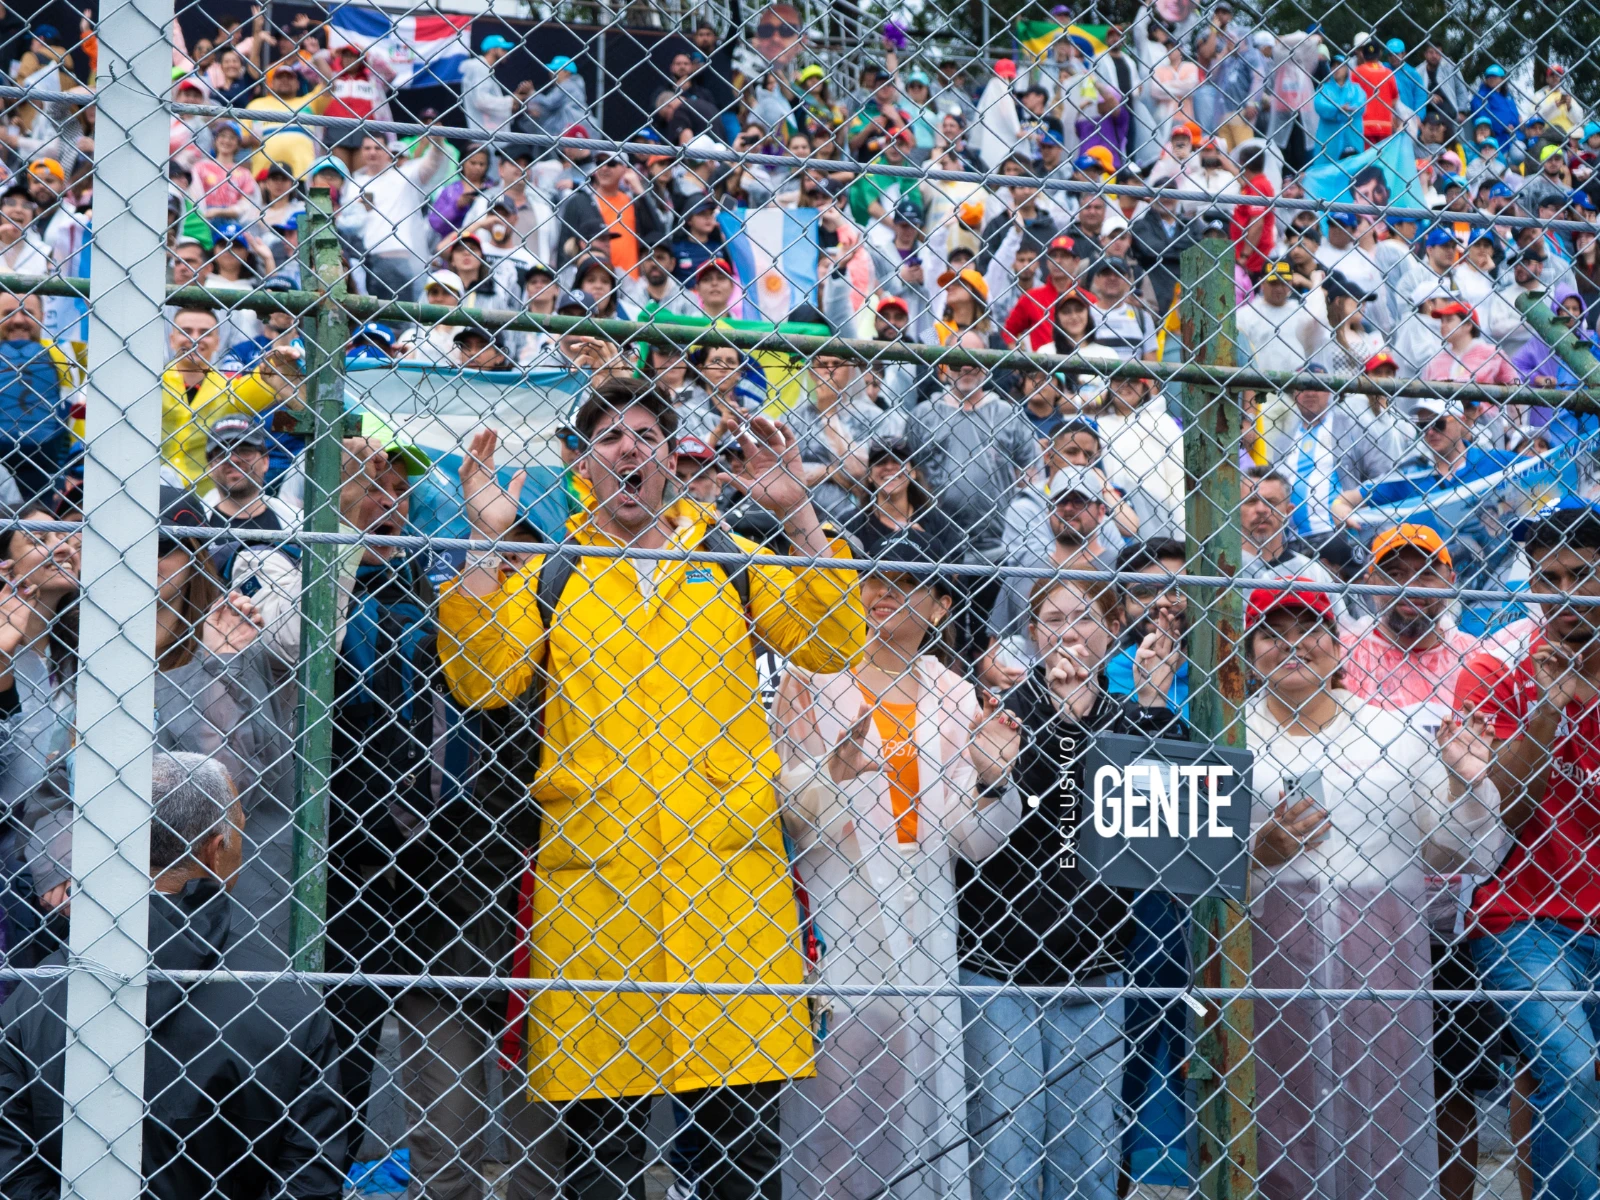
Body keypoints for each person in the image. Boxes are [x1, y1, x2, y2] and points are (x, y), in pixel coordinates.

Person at [439, 380, 866, 1199]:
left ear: (671, 457)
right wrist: (486, 542)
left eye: (645, 434)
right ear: (583, 465)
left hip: (729, 904)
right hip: (602, 910)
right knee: (601, 1169)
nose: (629, 448)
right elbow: (482, 680)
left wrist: (797, 519)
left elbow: (834, 637)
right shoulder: (556, 573)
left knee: (739, 1166)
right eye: (607, 437)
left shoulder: (728, 561)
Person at [774, 526, 1021, 1200]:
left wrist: (997, 780)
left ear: (941, 606)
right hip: (838, 913)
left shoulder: (951, 693)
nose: (882, 592)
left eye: (908, 582)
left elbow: (972, 841)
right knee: (836, 1106)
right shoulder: (812, 675)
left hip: (925, 917)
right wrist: (833, 772)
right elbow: (784, 808)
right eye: (873, 578)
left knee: (917, 1100)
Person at [1244, 583, 1496, 1200]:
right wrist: (1261, 851)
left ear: (1338, 648)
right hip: (1268, 948)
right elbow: (1194, 861)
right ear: (1248, 653)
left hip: (1381, 950)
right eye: (1272, 634)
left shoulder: (1394, 734)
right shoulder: (1231, 741)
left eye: (1310, 631)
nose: (1292, 646)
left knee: (1385, 1104)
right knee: (1277, 1103)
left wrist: (1467, 785)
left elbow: (1460, 851)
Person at [0, 751, 346, 1199]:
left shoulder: (35, 995)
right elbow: (310, 1181)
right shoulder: (287, 1004)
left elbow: (11, 1170)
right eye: (238, 830)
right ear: (215, 850)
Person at [958, 571, 1181, 1200]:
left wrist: (1155, 710)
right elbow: (997, 824)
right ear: (1031, 635)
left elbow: (1166, 839)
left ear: (1110, 632)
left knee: (1087, 1163)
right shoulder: (1001, 710)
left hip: (1097, 963)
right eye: (1051, 620)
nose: (1068, 633)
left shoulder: (1132, 714)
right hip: (998, 964)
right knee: (1004, 1156)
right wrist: (1056, 727)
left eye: (1083, 617)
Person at [1461, 498, 1600, 1200]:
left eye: (1582, 575)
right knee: (1569, 1068)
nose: (1565, 595)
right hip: (1524, 916)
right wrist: (1548, 707)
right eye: (1548, 578)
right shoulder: (1497, 669)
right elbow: (1505, 814)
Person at [1342, 524, 1482, 718]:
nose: (1411, 587)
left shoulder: (1477, 659)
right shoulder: (1341, 657)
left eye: (1426, 574)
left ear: (1450, 581)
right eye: (1395, 575)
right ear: (1371, 583)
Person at [162, 307, 298, 491]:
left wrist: (281, 359)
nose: (195, 338)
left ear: (218, 342)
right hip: (154, 494)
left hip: (209, 502)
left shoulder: (230, 390)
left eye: (205, 333)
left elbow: (267, 377)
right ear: (172, 340)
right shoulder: (153, 383)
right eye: (186, 331)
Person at [1274, 370, 1404, 543]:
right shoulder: (1283, 440)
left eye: (1317, 386)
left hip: (1343, 535)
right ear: (1294, 393)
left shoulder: (1352, 427)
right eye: (1303, 386)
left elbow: (1380, 475)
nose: (1310, 393)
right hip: (1293, 540)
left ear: (1329, 390)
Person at [461, 34, 515, 136]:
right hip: (485, 133)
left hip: (487, 132)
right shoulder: (480, 67)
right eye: (503, 49)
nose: (506, 53)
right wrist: (511, 101)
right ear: (493, 50)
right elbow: (481, 100)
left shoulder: (484, 68)